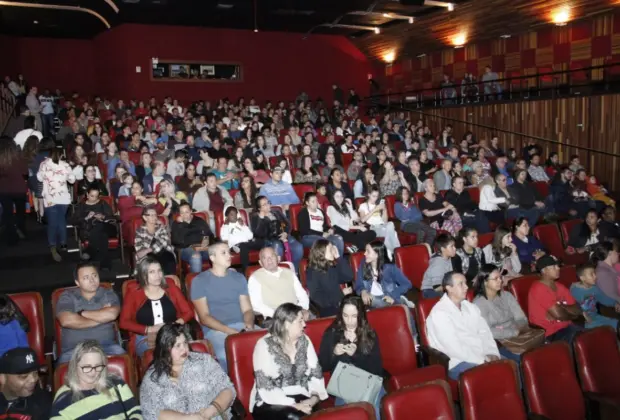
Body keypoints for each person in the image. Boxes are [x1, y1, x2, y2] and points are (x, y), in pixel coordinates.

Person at [140, 323, 236, 420]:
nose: (184, 349)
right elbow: (152, 411)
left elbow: (228, 389)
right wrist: (188, 418)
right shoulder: (153, 378)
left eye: (185, 343)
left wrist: (209, 412)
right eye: (178, 345)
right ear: (165, 349)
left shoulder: (204, 361)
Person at [251, 303, 327, 420]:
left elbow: (315, 374)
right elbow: (265, 385)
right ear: (287, 324)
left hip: (303, 396)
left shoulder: (304, 341)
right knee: (294, 416)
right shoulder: (264, 345)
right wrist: (294, 405)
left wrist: (313, 399)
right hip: (271, 402)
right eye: (300, 321)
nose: (304, 324)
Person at [190, 242, 255, 371]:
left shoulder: (239, 277)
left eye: (229, 252)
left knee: (269, 346)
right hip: (217, 331)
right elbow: (204, 317)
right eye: (223, 253)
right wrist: (231, 332)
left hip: (242, 326)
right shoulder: (199, 281)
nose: (229, 256)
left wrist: (248, 326)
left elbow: (247, 309)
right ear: (212, 258)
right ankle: (230, 389)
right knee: (226, 355)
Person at [318, 295, 385, 419]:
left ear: (361, 316)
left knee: (376, 410)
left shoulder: (369, 334)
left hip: (368, 383)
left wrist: (356, 356)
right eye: (345, 315)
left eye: (354, 316)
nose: (349, 321)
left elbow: (377, 370)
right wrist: (334, 353)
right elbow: (322, 366)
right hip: (344, 386)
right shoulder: (332, 333)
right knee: (351, 415)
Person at [426, 272, 500, 380]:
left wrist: (492, 353)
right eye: (461, 284)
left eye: (465, 283)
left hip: (482, 355)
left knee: (510, 366)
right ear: (449, 288)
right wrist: (481, 360)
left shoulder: (470, 307)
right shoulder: (439, 313)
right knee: (491, 376)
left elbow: (485, 332)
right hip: (458, 362)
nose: (466, 287)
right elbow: (453, 347)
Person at [120, 256, 193, 357]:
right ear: (143, 275)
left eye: (159, 271)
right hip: (146, 337)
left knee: (185, 353)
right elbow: (124, 322)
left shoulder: (171, 287)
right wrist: (148, 329)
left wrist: (174, 325)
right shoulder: (133, 292)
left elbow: (188, 312)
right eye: (152, 272)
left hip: (174, 333)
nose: (157, 275)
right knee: (161, 355)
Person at [50, 340, 141, 419]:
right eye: (87, 367)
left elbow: (135, 411)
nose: (93, 373)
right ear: (75, 366)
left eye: (98, 366)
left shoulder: (117, 383)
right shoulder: (64, 397)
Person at [55, 262, 125, 363]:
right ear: (77, 282)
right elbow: (66, 320)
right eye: (86, 277)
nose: (92, 280)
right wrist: (102, 317)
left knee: (123, 362)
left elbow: (112, 314)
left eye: (94, 276)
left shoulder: (108, 293)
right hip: (75, 350)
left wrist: (82, 313)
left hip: (107, 347)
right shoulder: (67, 297)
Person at [473, 265, 528, 362]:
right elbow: (488, 331)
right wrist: (513, 332)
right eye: (495, 279)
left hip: (519, 335)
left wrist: (519, 329)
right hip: (499, 342)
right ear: (485, 282)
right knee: (523, 357)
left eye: (500, 277)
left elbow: (521, 318)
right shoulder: (479, 304)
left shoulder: (506, 295)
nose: (500, 281)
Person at [528, 255, 584, 344]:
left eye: (557, 266)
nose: (558, 268)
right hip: (550, 333)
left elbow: (578, 309)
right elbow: (559, 315)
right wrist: (567, 313)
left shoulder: (559, 286)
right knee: (581, 340)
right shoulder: (538, 288)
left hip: (567, 327)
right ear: (544, 271)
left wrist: (560, 307)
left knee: (588, 338)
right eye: (553, 266)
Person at [248, 246, 310, 320]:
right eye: (265, 258)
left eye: (272, 256)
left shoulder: (289, 273)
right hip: (274, 318)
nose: (269, 260)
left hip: (295, 313)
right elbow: (256, 304)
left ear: (278, 258)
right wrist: (278, 315)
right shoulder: (255, 277)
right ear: (260, 263)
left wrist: (302, 309)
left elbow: (302, 294)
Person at [37, 146, 75, 262]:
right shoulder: (65, 165)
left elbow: (39, 178)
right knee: (61, 220)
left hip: (50, 197)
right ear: (60, 155)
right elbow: (72, 180)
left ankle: (52, 245)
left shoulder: (44, 164)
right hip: (63, 197)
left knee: (53, 223)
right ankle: (63, 243)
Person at [355, 241, 414, 308]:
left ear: (377, 254)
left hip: (387, 296)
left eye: (368, 251)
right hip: (372, 296)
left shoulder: (390, 268)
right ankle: (400, 302)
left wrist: (392, 296)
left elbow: (407, 284)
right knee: (362, 302)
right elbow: (359, 283)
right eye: (365, 250)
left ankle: (401, 302)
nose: (365, 253)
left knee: (375, 303)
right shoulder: (363, 263)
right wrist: (363, 291)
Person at [251, 196, 304, 270]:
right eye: (264, 204)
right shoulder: (256, 217)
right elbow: (258, 233)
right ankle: (278, 270)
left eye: (268, 203)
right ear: (259, 208)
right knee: (277, 245)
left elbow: (288, 224)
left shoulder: (276, 211)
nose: (268, 205)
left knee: (298, 247)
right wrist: (261, 218)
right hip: (270, 240)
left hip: (284, 236)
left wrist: (285, 233)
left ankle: (294, 270)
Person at [0, 347, 52, 419]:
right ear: (3, 378)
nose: (33, 379)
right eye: (24, 376)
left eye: (35, 373)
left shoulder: (43, 402)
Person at [306, 239, 354, 317]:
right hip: (328, 308)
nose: (333, 251)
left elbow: (349, 277)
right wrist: (341, 294)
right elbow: (317, 298)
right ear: (322, 252)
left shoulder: (331, 266)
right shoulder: (312, 272)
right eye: (331, 249)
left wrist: (338, 257)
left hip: (340, 302)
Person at [73, 186, 116, 270]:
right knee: (102, 235)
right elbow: (74, 220)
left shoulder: (102, 203)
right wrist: (87, 217)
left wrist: (102, 216)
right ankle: (105, 263)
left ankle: (90, 250)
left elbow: (111, 216)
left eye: (96, 196)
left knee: (99, 226)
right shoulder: (82, 205)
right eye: (92, 196)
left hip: (105, 226)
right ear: (87, 195)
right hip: (89, 229)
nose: (94, 198)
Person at [570, 264, 620, 330]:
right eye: (591, 274)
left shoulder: (595, 288)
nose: (595, 276)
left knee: (617, 324)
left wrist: (615, 303)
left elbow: (604, 298)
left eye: (595, 273)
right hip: (584, 322)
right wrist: (582, 314)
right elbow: (572, 306)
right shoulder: (575, 290)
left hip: (596, 317)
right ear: (582, 278)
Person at [171, 201, 215, 274]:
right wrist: (182, 224)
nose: (184, 215)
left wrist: (204, 245)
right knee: (196, 256)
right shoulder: (177, 224)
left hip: (203, 248)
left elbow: (209, 234)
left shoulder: (199, 221)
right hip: (187, 249)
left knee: (217, 252)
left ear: (191, 211)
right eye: (182, 213)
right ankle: (196, 283)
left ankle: (217, 280)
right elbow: (176, 241)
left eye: (186, 212)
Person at [358, 185, 401, 258]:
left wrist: (384, 209)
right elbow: (362, 219)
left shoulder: (379, 205)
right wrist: (375, 209)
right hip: (373, 228)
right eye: (373, 196)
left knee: (390, 225)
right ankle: (397, 252)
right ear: (369, 194)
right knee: (393, 232)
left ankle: (390, 251)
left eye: (377, 196)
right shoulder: (363, 205)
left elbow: (385, 221)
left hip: (382, 226)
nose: (375, 198)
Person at [0, 136, 28, 245]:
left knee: (8, 213)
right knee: (20, 213)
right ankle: (21, 230)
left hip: (3, 189)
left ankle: (11, 237)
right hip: (18, 188)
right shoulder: (17, 156)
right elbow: (25, 172)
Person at [220, 206, 262, 270]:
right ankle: (246, 270)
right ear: (227, 216)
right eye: (231, 214)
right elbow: (225, 240)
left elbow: (250, 236)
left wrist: (243, 226)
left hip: (247, 243)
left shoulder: (241, 223)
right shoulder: (225, 227)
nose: (234, 216)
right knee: (243, 246)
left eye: (235, 214)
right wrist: (226, 226)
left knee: (262, 242)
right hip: (236, 246)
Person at [421, 234, 457, 298]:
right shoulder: (438, 263)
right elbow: (436, 287)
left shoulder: (448, 257)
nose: (455, 248)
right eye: (452, 246)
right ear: (443, 249)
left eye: (454, 246)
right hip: (430, 291)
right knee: (455, 296)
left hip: (443, 287)